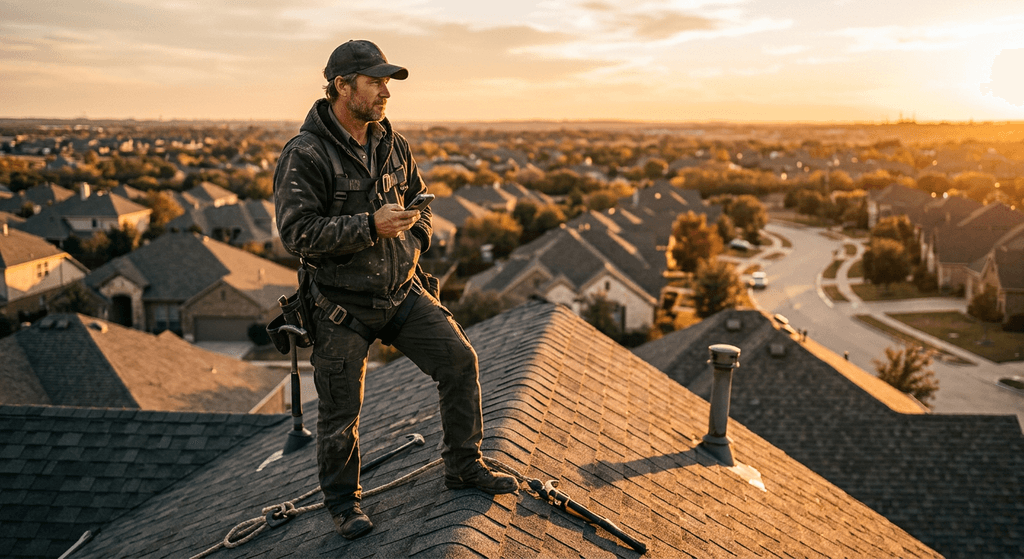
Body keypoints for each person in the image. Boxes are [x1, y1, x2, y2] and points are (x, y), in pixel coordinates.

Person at [273, 40, 518, 540]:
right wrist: (370, 226)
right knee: (341, 413)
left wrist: (417, 233)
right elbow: (297, 235)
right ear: (342, 86)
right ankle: (343, 504)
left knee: (459, 361)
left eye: (389, 82)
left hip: (402, 293)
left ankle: (463, 466)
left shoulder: (392, 143)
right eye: (376, 82)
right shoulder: (306, 154)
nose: (387, 92)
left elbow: (420, 199)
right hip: (342, 305)